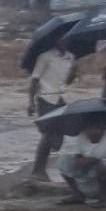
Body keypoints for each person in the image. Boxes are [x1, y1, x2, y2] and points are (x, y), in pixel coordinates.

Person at [27, 44, 76, 178]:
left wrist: (74, 71)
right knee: (48, 134)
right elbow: (35, 80)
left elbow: (68, 81)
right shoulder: (45, 56)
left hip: (60, 97)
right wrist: (30, 102)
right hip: (45, 98)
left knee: (57, 136)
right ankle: (38, 170)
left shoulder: (70, 57)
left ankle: (41, 168)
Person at [56, 116, 106, 207]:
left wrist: (94, 160)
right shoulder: (79, 137)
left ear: (104, 128)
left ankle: (105, 199)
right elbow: (76, 159)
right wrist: (85, 161)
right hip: (86, 179)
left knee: (105, 165)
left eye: (97, 128)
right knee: (63, 161)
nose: (94, 131)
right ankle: (78, 194)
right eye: (90, 128)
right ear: (85, 128)